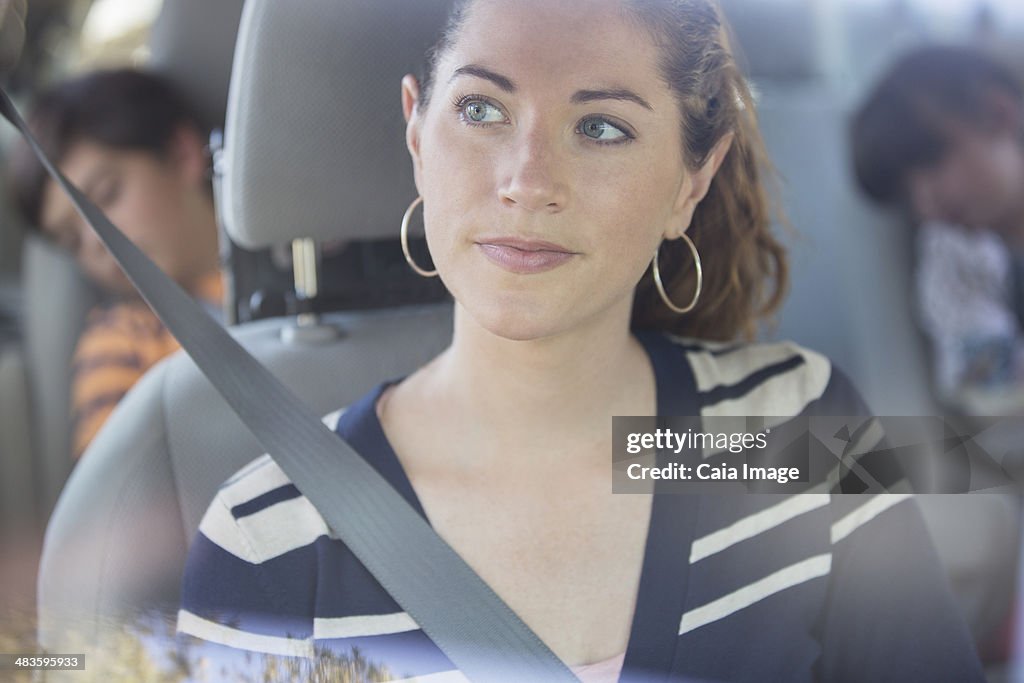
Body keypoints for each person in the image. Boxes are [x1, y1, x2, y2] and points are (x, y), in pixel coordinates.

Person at [177, 1, 983, 680]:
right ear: (417, 135)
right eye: (482, 109)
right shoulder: (269, 540)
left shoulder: (797, 429)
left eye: (600, 127)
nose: (527, 179)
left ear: (690, 183)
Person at [8, 69, 223, 459]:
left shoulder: (317, 266)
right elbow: (117, 506)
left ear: (182, 153)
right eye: (71, 240)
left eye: (106, 196)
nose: (94, 243)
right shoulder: (121, 344)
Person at [851, 46, 1024, 414]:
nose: (926, 204)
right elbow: (991, 396)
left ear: (999, 113)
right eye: (905, 195)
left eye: (932, 160)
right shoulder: (956, 259)